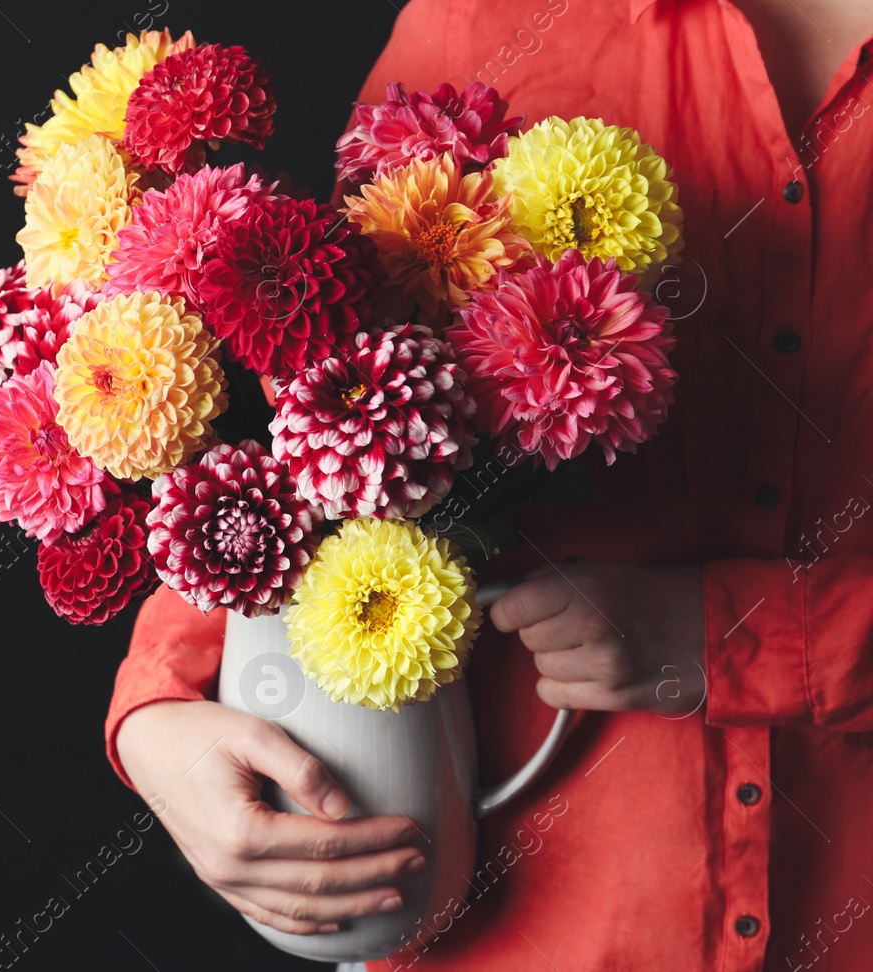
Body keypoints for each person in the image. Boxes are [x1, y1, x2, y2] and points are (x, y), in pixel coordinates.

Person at [107, 0, 873, 968]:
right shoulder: (487, 21)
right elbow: (329, 401)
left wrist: (746, 637)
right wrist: (162, 709)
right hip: (518, 928)